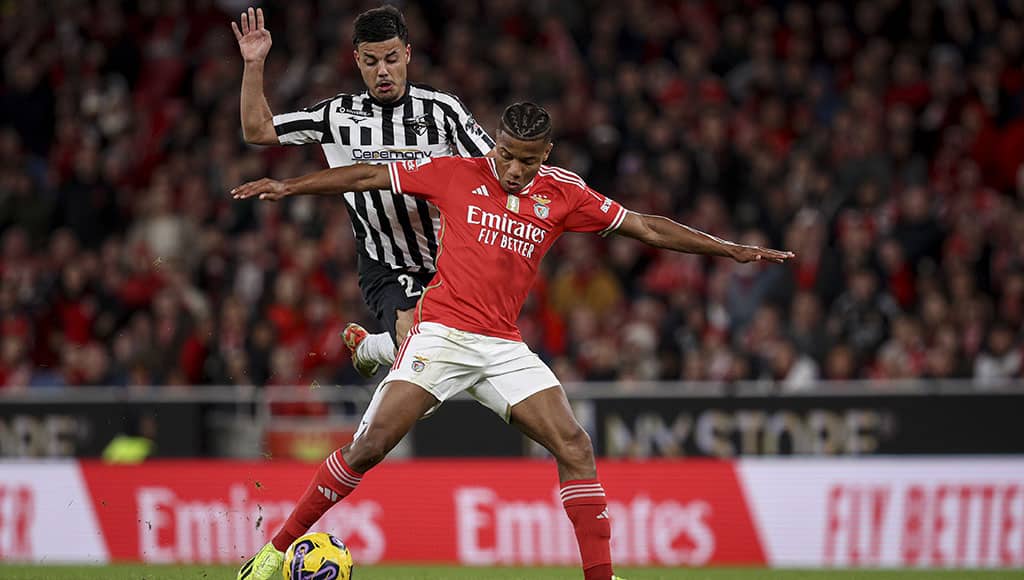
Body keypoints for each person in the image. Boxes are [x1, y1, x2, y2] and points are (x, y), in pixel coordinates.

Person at [231, 102, 794, 580]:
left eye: (527, 159)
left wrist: (731, 249)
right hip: (443, 335)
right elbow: (365, 177)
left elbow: (644, 225)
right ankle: (272, 554)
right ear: (494, 144)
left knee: (574, 445)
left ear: (545, 155)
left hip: (502, 347)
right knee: (369, 447)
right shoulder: (454, 171)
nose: (514, 168)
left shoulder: (565, 194)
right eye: (505, 154)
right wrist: (290, 184)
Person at [232, 5, 494, 378]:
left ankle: (370, 348)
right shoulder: (337, 115)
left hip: (450, 258)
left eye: (390, 58)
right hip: (385, 261)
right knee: (414, 336)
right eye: (371, 61)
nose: (382, 71)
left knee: (447, 351)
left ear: (407, 54)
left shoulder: (443, 111)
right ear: (357, 60)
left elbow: (494, 171)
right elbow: (257, 130)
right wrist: (254, 64)